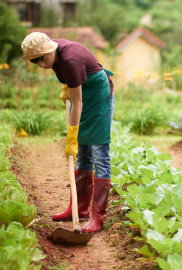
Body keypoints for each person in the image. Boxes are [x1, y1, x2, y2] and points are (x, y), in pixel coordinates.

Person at [21, 32, 115, 233]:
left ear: (50, 50)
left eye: (43, 59)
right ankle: (79, 208)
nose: (42, 65)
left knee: (99, 154)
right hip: (82, 92)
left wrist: (71, 137)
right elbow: (73, 87)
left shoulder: (69, 59)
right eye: (35, 61)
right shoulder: (54, 54)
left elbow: (78, 103)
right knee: (83, 155)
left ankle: (98, 216)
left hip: (97, 94)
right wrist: (67, 87)